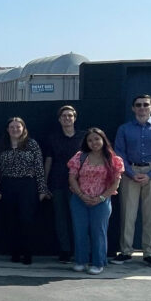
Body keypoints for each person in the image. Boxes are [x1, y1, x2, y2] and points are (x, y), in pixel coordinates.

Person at [113, 94, 151, 269]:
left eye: (146, 105)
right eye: (138, 105)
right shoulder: (124, 129)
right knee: (127, 213)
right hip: (130, 172)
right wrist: (130, 173)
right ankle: (125, 251)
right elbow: (119, 152)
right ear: (133, 108)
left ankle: (150, 253)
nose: (142, 108)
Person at [0, 117, 50, 265]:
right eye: (12, 127)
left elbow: (39, 167)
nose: (15, 129)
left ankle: (28, 252)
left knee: (27, 220)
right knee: (11, 221)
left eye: (18, 127)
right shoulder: (2, 144)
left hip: (27, 185)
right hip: (8, 184)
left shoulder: (31, 144)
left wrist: (42, 189)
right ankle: (15, 252)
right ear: (7, 129)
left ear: (23, 128)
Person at [68, 128, 124, 275]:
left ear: (103, 140)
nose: (94, 143)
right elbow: (72, 178)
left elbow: (115, 183)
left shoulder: (113, 160)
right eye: (90, 140)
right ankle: (81, 261)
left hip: (102, 201)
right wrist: (81, 195)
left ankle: (98, 263)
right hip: (79, 200)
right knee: (80, 231)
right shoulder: (79, 157)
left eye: (97, 139)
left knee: (98, 232)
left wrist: (101, 197)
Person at [43, 105, 86, 264]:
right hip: (58, 182)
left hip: (80, 184)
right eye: (64, 116)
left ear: (74, 118)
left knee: (79, 218)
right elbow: (48, 160)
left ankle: (80, 249)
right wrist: (44, 183)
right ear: (59, 119)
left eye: (70, 115)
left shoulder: (84, 137)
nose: (67, 118)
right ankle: (65, 250)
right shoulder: (52, 138)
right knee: (61, 218)